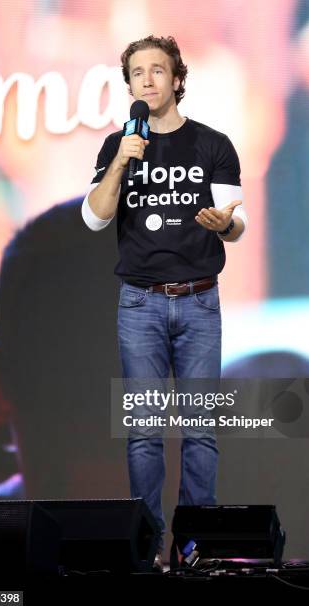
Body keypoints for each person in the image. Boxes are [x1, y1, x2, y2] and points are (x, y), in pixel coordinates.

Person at [81, 35, 248, 568]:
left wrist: (226, 225)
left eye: (157, 71)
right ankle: (148, 547)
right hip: (140, 306)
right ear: (128, 85)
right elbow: (94, 216)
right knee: (143, 434)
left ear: (178, 79)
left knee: (201, 432)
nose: (147, 81)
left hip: (200, 303)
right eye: (137, 73)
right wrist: (121, 163)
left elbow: (235, 223)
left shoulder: (212, 144)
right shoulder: (118, 146)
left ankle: (196, 545)